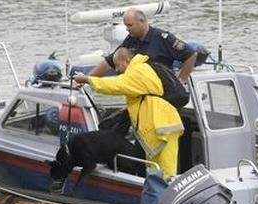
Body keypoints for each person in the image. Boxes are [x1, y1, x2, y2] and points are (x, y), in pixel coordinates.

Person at [74, 48, 183, 179]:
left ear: (125, 60)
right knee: (158, 168)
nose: (117, 70)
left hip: (161, 127)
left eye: (117, 65)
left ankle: (165, 194)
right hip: (162, 125)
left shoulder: (138, 71)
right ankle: (158, 191)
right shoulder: (143, 69)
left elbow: (116, 85)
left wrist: (88, 80)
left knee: (166, 172)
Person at [88, 8, 198, 83]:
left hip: (161, 90)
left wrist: (181, 80)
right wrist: (87, 79)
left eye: (130, 25)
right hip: (140, 89)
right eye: (126, 26)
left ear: (142, 21)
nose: (127, 29)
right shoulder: (131, 39)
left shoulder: (163, 38)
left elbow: (191, 55)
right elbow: (109, 62)